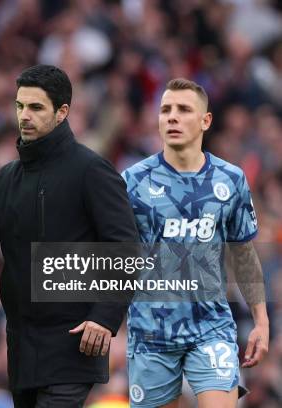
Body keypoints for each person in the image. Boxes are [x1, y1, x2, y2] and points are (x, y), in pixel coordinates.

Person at [0, 64, 139, 407]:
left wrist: (104, 318)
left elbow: (125, 249)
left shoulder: (91, 170)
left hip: (75, 340)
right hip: (22, 345)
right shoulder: (8, 177)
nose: (24, 116)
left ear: (62, 112)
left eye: (36, 107)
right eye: (20, 106)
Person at [121, 78, 269, 408]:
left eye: (184, 109)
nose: (172, 117)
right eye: (165, 110)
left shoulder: (230, 179)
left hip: (211, 327)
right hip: (151, 331)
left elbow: (243, 254)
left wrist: (261, 320)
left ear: (206, 120)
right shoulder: (131, 182)